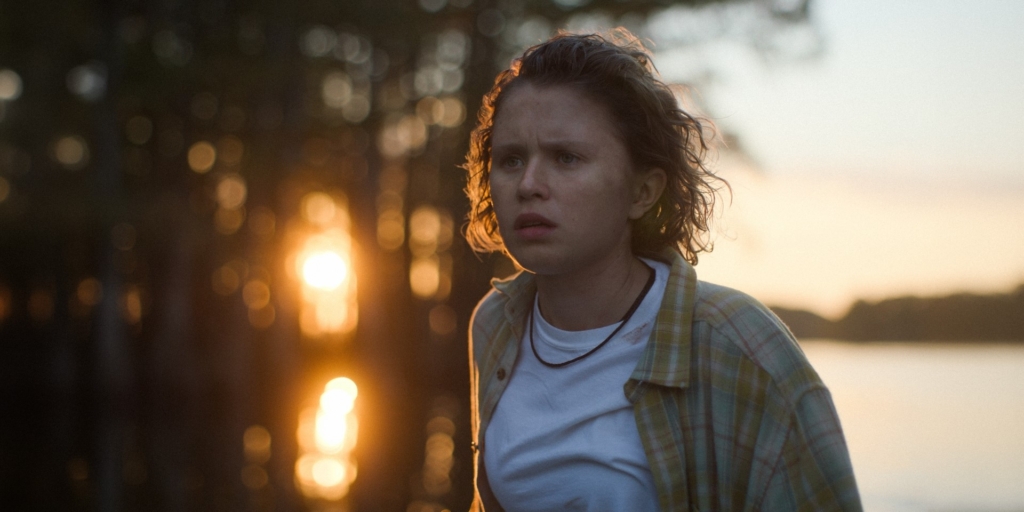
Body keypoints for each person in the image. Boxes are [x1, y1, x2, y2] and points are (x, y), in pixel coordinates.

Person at [462, 30, 861, 512]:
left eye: (566, 158)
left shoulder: (740, 347)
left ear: (642, 192)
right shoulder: (496, 323)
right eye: (511, 160)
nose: (528, 184)